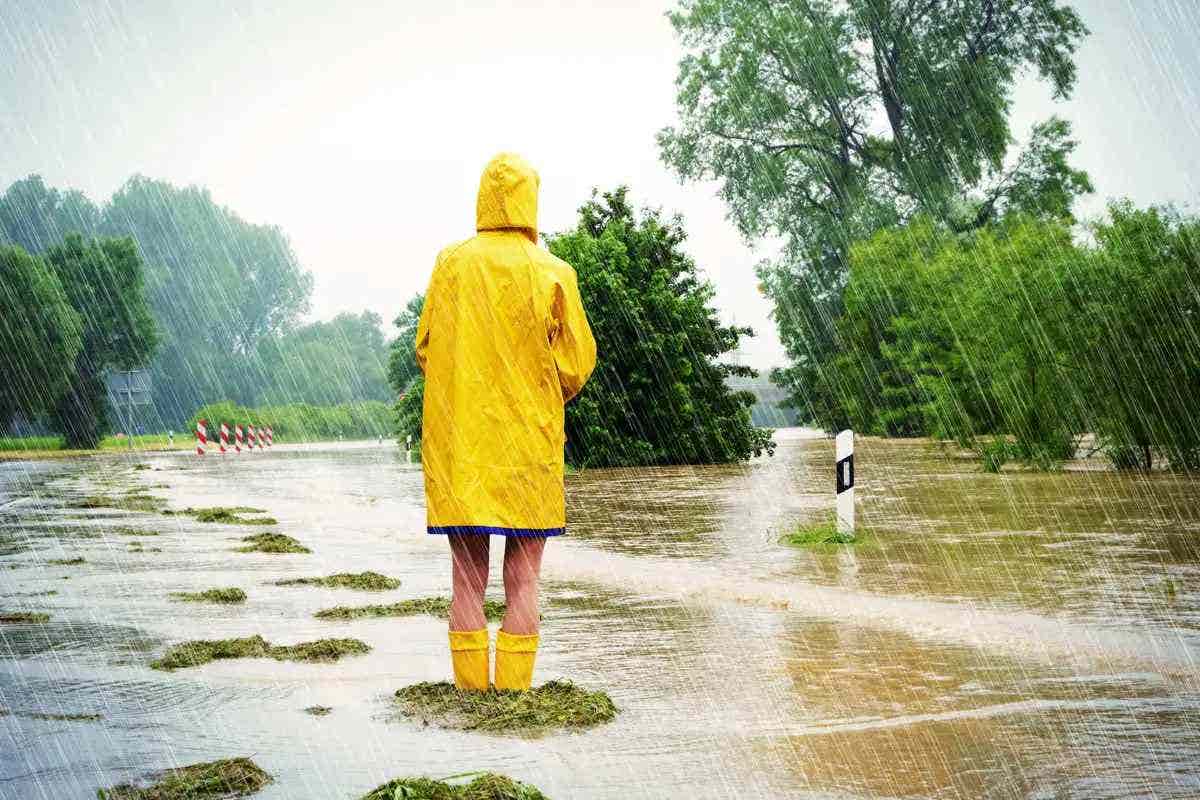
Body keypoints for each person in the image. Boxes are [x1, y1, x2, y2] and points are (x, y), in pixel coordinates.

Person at [415, 153, 596, 692]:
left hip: (463, 447)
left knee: (467, 579)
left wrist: (466, 382)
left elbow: (425, 348)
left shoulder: (451, 264)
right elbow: (577, 363)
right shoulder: (553, 272)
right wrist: (538, 389)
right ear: (531, 201)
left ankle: (471, 698)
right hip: (528, 448)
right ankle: (514, 696)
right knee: (525, 578)